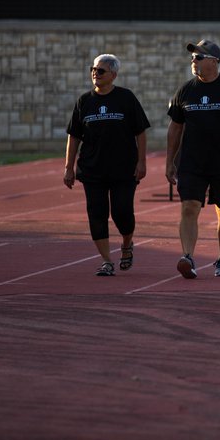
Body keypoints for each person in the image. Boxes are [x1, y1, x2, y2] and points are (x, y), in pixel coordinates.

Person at [165, 39, 220, 279]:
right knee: (189, 207)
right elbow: (175, 128)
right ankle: (188, 256)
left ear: (214, 61)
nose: (194, 61)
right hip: (192, 162)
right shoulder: (185, 90)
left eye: (199, 57)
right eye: (193, 57)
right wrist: (169, 161)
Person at [63, 54, 151, 276]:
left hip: (124, 168)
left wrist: (141, 161)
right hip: (92, 169)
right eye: (93, 69)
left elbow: (140, 131)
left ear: (113, 74)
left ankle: (127, 243)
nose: (95, 73)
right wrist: (68, 167)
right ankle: (106, 261)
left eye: (100, 70)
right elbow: (74, 136)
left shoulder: (126, 98)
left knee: (122, 211)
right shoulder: (84, 101)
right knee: (97, 213)